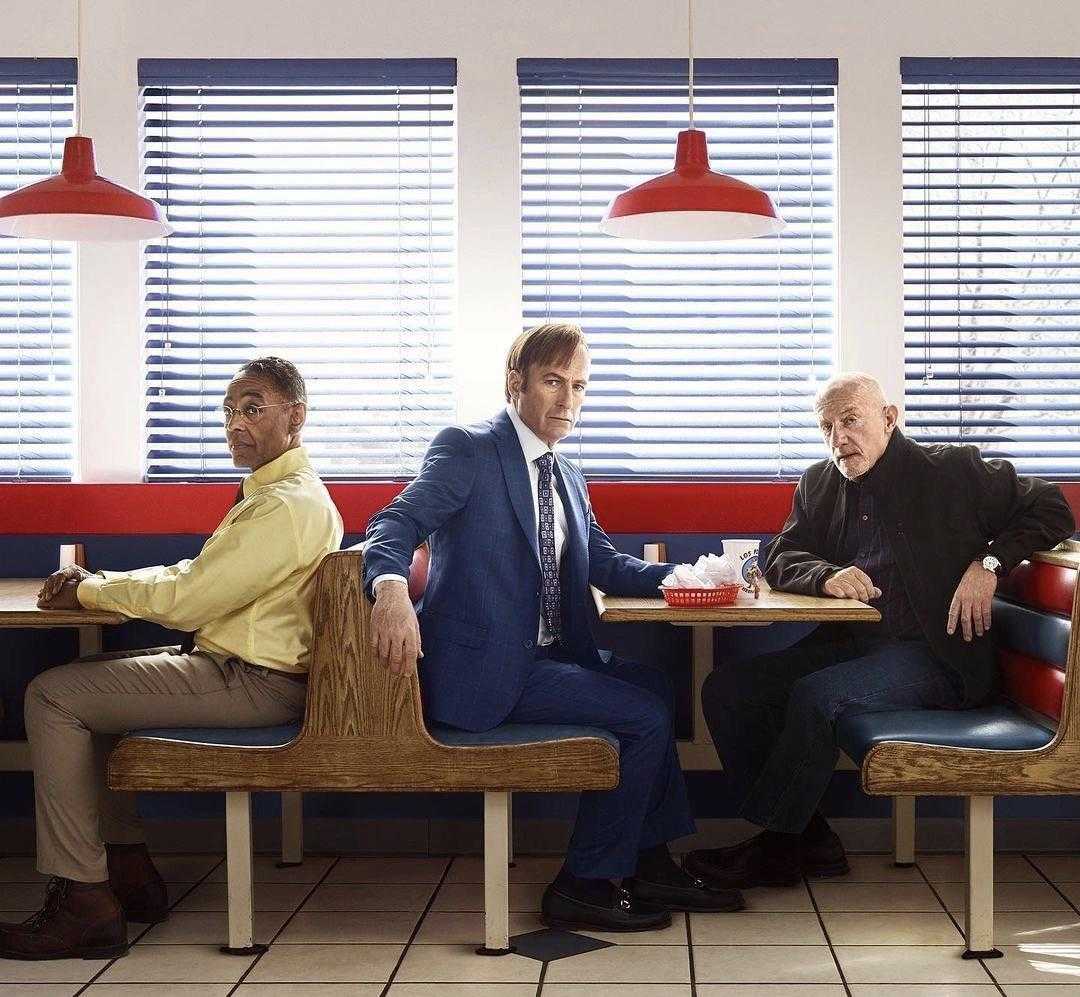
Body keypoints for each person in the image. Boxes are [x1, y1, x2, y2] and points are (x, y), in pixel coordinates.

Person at [363, 322, 741, 932]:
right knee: (643, 717)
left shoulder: (565, 472)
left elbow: (602, 562)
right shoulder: (469, 447)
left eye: (581, 387)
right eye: (553, 381)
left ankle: (650, 862)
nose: (568, 402)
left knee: (654, 689)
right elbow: (393, 523)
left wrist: (688, 580)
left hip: (545, 657)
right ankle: (584, 884)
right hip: (484, 672)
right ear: (517, 383)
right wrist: (387, 590)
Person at [0, 357, 343, 961]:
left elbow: (188, 598)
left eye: (254, 408)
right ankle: (129, 875)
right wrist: (99, 583)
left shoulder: (286, 505)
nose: (236, 423)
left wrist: (87, 589)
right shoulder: (275, 496)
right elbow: (195, 578)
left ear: (296, 416)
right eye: (230, 411)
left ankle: (84, 899)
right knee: (86, 687)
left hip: (255, 682)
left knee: (51, 696)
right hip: (243, 670)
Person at [686, 372, 1075, 891]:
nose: (838, 438)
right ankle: (810, 838)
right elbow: (780, 556)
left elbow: (1052, 506)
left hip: (938, 658)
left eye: (850, 421)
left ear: (890, 418)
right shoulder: (820, 482)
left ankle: (776, 850)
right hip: (853, 646)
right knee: (729, 690)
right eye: (827, 427)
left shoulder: (952, 471)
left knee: (816, 696)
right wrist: (826, 576)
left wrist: (989, 563)